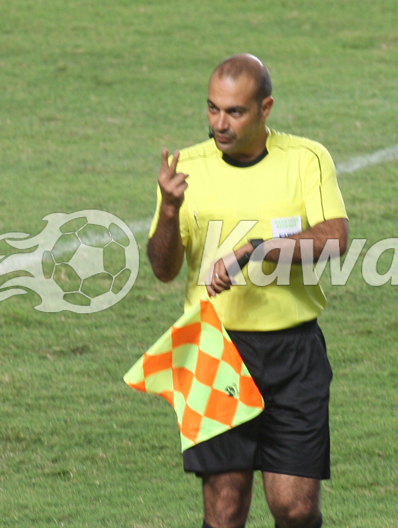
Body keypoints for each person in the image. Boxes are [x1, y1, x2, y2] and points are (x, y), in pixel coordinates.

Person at [146, 53, 348, 528]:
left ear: (265, 108)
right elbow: (163, 268)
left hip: (293, 352)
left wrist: (256, 249)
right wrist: (170, 212)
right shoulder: (186, 169)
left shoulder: (305, 159)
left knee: (294, 508)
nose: (220, 123)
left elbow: (334, 238)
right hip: (215, 352)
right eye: (213, 108)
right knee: (225, 509)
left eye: (234, 111)